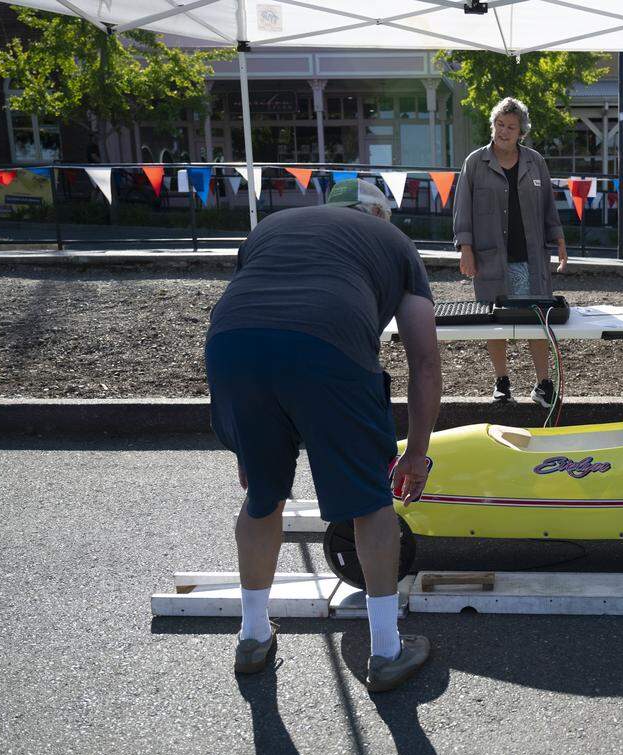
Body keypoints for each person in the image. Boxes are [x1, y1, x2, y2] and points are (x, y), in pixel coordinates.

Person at [204, 179, 441, 691]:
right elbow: (423, 359)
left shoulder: (272, 226)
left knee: (261, 498)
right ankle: (385, 650)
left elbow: (249, 309)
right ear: (380, 215)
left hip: (231, 345)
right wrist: (417, 452)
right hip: (328, 346)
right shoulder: (395, 243)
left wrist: (250, 447)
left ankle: (251, 636)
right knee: (369, 502)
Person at [453, 96, 567, 407]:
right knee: (494, 322)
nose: (504, 131)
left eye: (511, 127)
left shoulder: (535, 162)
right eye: (499, 124)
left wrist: (558, 238)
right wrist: (466, 248)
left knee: (538, 321)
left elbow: (548, 208)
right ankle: (502, 382)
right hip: (491, 258)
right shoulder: (475, 163)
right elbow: (462, 209)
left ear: (521, 132)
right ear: (492, 126)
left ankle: (543, 384)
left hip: (531, 257)